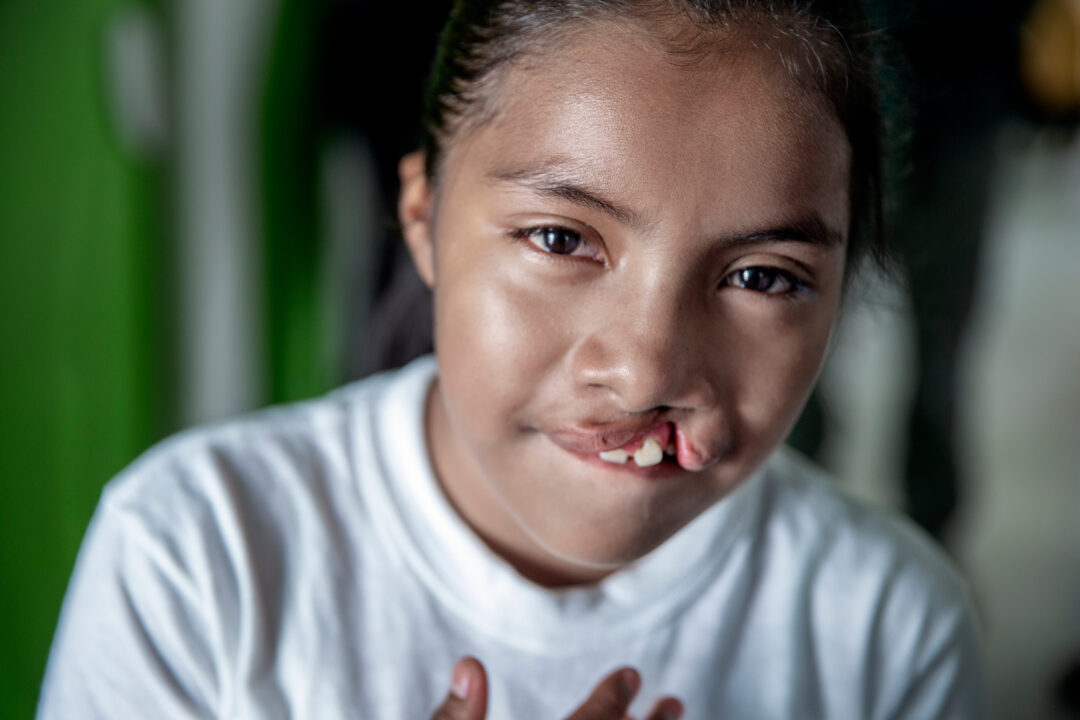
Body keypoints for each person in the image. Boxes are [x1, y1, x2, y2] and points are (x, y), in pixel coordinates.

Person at [36, 1, 987, 718]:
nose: (648, 369)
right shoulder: (196, 557)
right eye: (562, 241)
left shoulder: (886, 626)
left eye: (763, 277)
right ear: (423, 223)